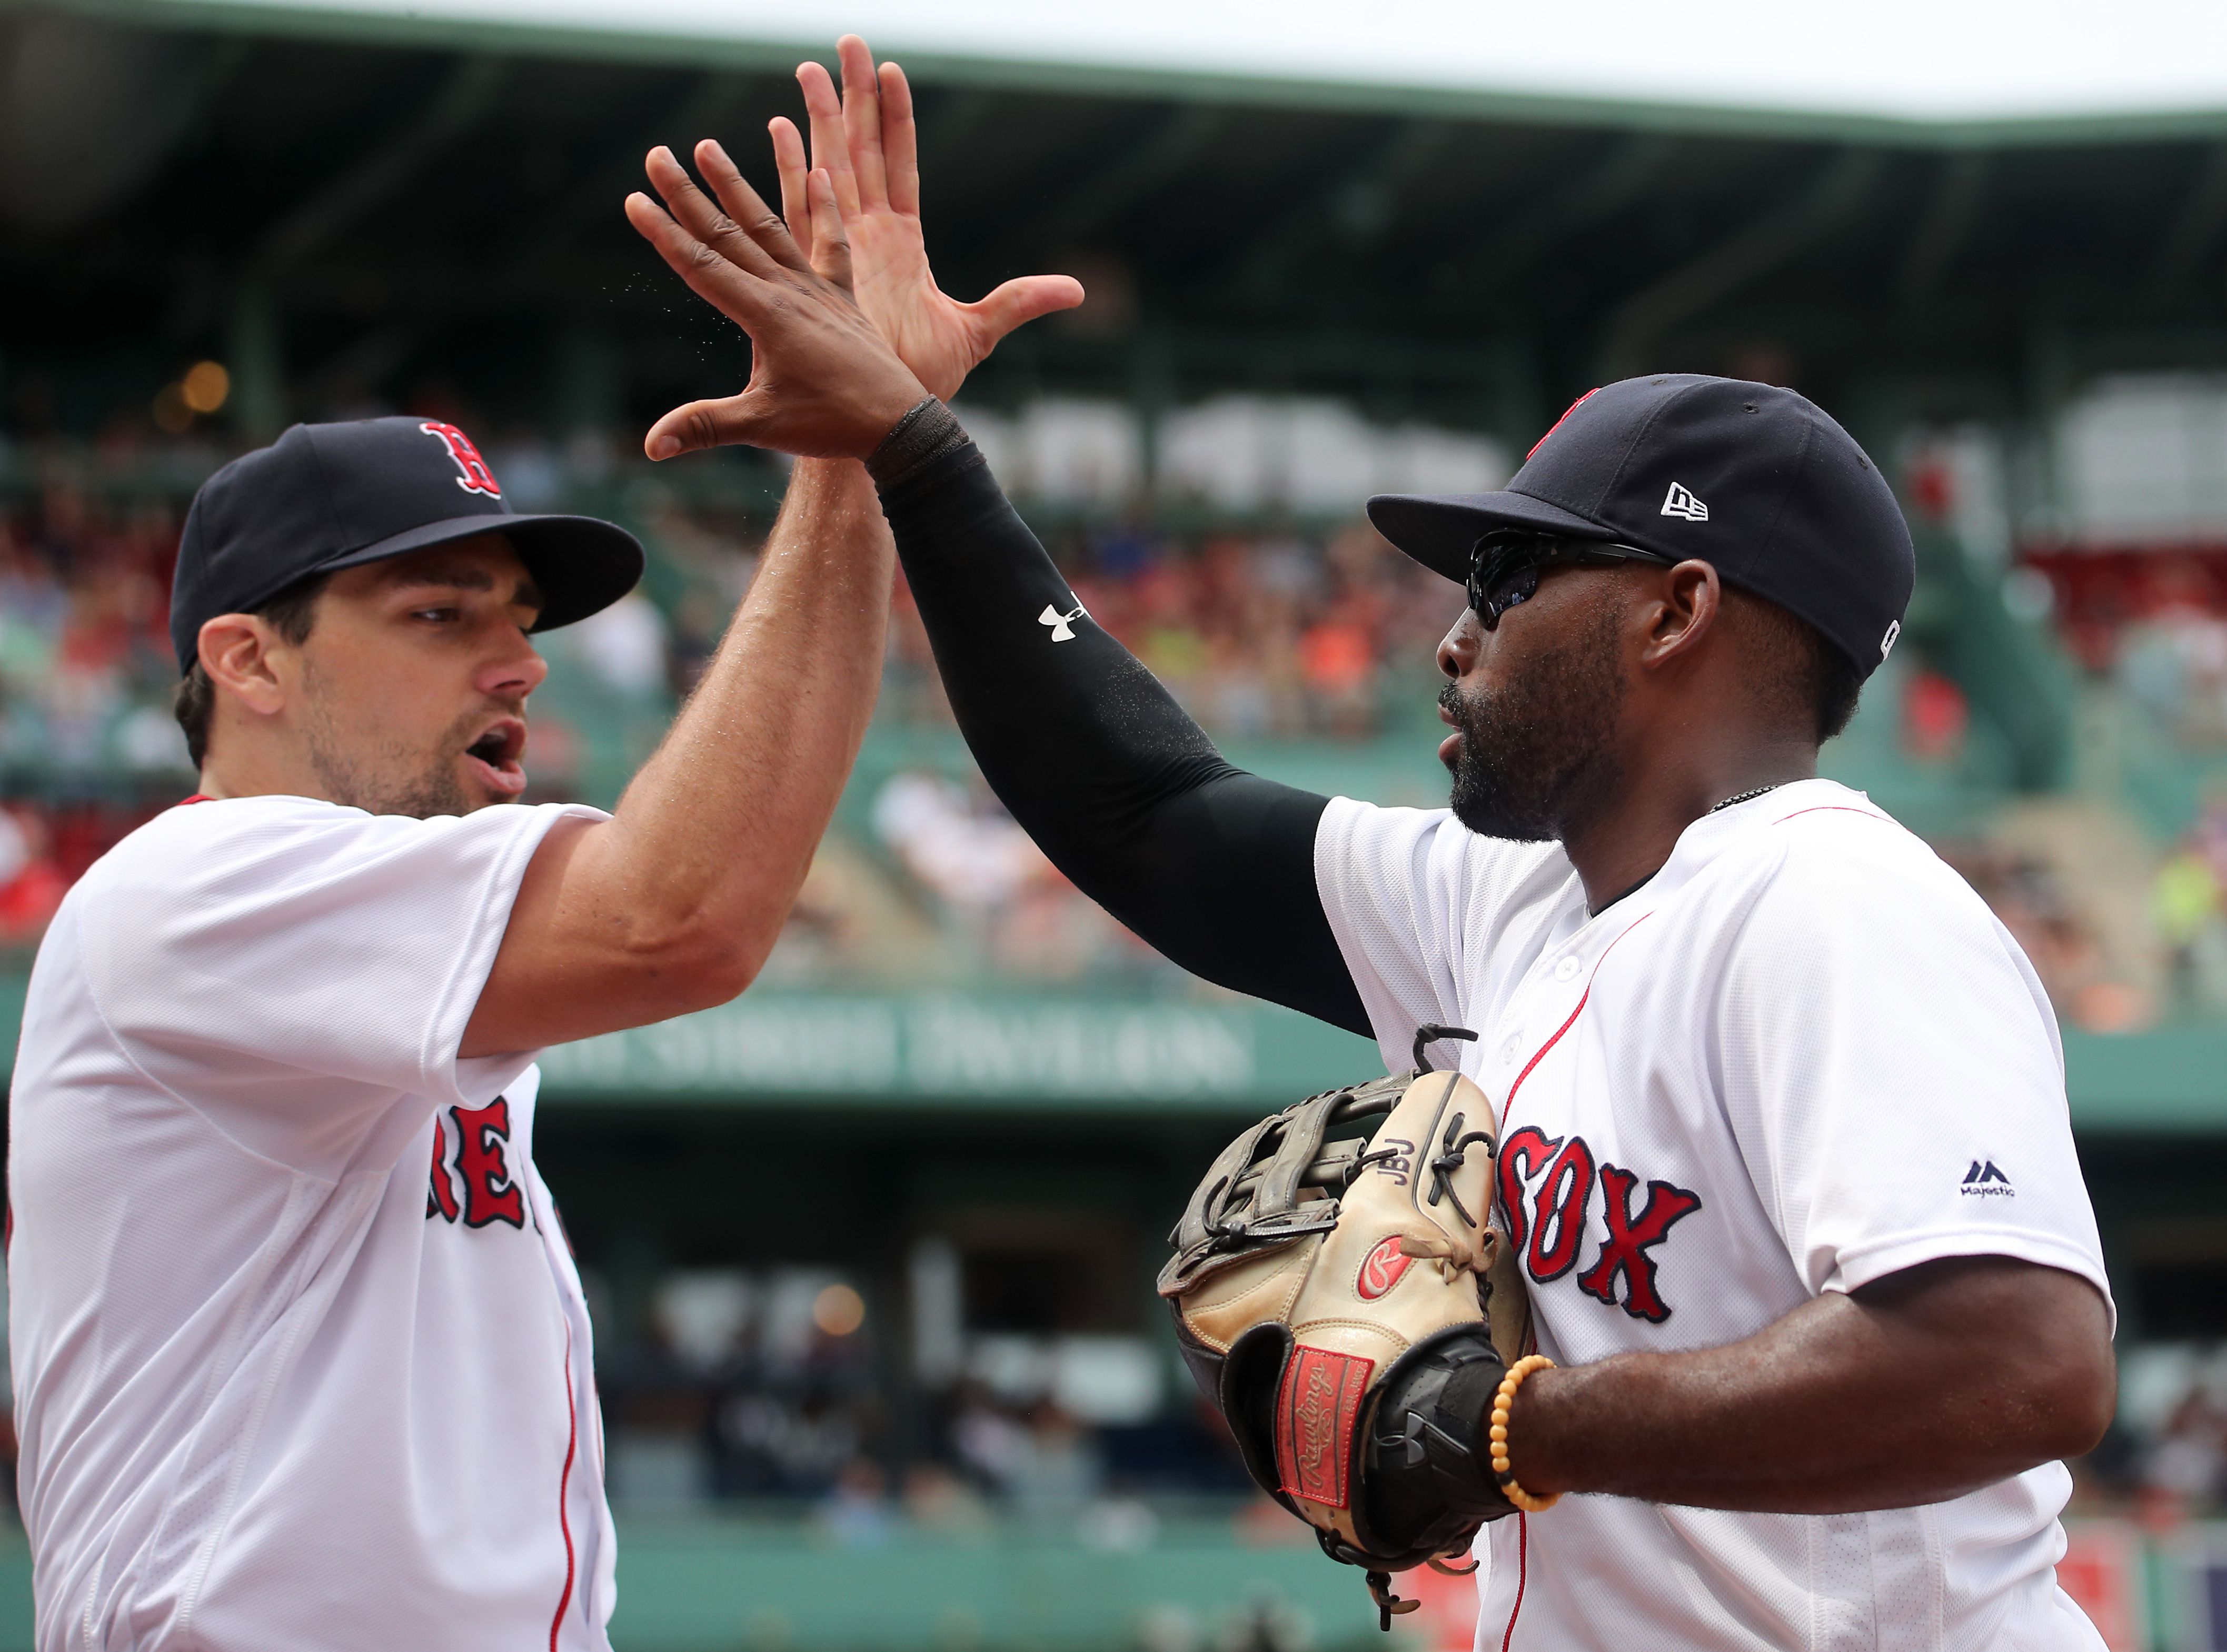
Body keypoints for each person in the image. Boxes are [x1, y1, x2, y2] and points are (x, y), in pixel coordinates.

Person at [623, 38, 2119, 1650]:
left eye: (1507, 583)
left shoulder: (1829, 903)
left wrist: (1513, 1428)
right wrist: (920, 454)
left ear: (1680, 610)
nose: (1452, 637)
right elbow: (1156, 817)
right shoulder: (1525, 901)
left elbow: (2016, 1357)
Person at [4, 178, 1078, 1652]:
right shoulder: (187, 893)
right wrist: (856, 454)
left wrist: (868, 446)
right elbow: (681, 916)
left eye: (521, 617)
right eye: (443, 614)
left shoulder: (367, 931)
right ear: (249, 661)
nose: (521, 663)